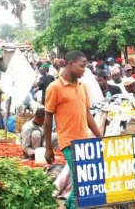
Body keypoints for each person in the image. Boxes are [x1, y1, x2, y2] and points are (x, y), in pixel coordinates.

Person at [44, 51, 103, 209]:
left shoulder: (83, 87)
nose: (84, 69)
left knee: (82, 181)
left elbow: (87, 114)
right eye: (81, 66)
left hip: (84, 141)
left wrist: (99, 136)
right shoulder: (54, 88)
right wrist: (48, 148)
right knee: (80, 181)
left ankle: (70, 205)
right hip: (68, 143)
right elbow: (48, 118)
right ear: (70, 64)